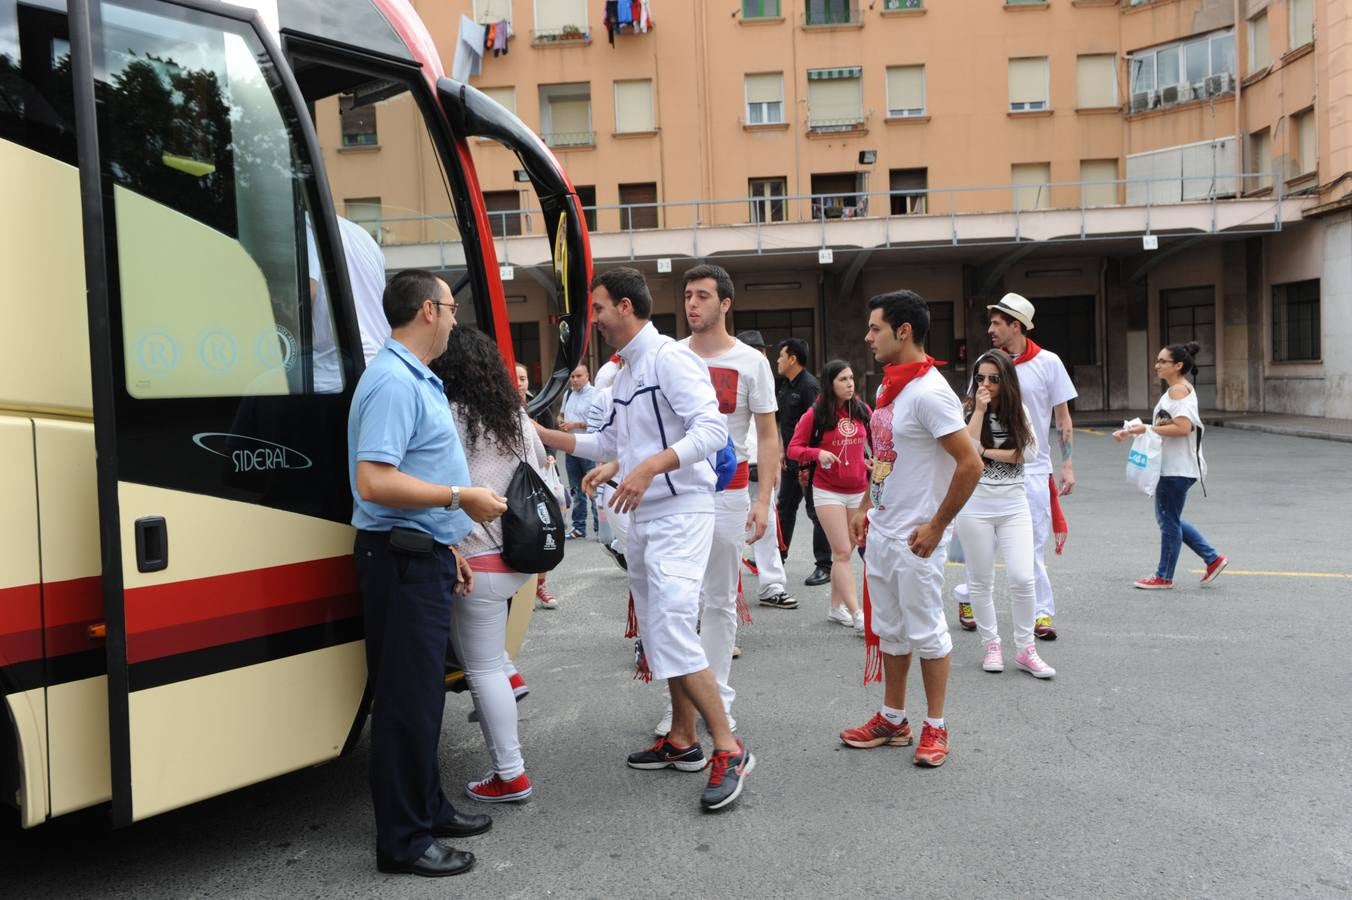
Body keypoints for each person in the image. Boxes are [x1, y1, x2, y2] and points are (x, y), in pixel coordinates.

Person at [538, 266, 754, 811]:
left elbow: (710, 431)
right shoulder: (625, 370)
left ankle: (729, 748)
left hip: (681, 510)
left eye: (600, 308)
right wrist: (541, 435)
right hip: (645, 515)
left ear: (627, 308)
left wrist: (647, 467)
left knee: (673, 626)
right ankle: (683, 740)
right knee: (658, 636)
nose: (595, 319)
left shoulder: (670, 358)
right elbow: (607, 439)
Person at [348, 268, 508, 877]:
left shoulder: (415, 377)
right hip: (399, 559)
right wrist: (458, 499)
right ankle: (404, 842)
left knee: (423, 700)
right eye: (450, 305)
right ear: (427, 312)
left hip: (422, 554)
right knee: (405, 704)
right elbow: (375, 480)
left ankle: (428, 807)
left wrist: (451, 548)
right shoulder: (393, 381)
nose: (454, 317)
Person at [839, 291, 981, 767]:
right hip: (882, 531)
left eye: (875, 328)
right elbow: (883, 457)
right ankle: (892, 718)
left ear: (903, 332)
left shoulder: (930, 392)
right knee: (891, 632)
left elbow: (970, 464)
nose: (867, 337)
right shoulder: (889, 389)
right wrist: (864, 505)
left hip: (916, 540)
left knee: (928, 634)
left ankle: (935, 728)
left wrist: (938, 526)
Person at [643, 264, 778, 738]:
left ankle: (717, 698)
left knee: (719, 601)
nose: (692, 304)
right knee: (673, 603)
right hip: (675, 493)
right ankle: (678, 707)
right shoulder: (668, 355)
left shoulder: (751, 362)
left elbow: (767, 435)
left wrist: (764, 499)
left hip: (729, 490)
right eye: (687, 295)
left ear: (725, 304)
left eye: (703, 296)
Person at [433, 327, 551, 804]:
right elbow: (544, 474)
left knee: (478, 668)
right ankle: (509, 672)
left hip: (475, 558)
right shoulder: (513, 417)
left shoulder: (447, 417)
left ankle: (510, 774)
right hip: (521, 556)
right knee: (480, 658)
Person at [953, 351, 1055, 678]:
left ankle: (1026, 649)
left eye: (994, 379)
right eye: (980, 377)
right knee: (981, 581)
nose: (986, 384)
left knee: (1023, 578)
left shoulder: (1017, 410)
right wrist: (980, 411)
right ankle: (991, 645)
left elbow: (1028, 453)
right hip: (975, 505)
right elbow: (966, 451)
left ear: (1006, 380)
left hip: (1013, 505)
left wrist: (987, 452)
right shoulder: (968, 409)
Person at [985, 293, 1076, 641]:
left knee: (1034, 542)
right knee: (985, 540)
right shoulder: (988, 362)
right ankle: (967, 596)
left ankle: (1041, 613)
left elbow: (1063, 417)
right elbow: (972, 410)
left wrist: (1066, 464)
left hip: (1035, 468)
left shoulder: (1049, 362)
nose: (990, 329)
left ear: (1016, 325)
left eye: (997, 323)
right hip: (991, 466)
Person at [1113, 341, 1228, 590]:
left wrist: (1146, 428)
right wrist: (1136, 430)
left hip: (1176, 469)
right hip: (1177, 467)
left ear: (1178, 365)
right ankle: (1212, 558)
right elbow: (1166, 426)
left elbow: (1183, 428)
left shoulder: (1178, 391)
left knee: (1168, 521)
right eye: (1158, 360)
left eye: (1162, 361)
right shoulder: (1177, 389)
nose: (1157, 365)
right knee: (1170, 519)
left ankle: (1164, 576)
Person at [787, 359, 871, 633]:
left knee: (844, 554)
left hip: (858, 491)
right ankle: (858, 613)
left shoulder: (861, 409)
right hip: (827, 492)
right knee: (843, 552)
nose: (849, 384)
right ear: (829, 384)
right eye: (842, 380)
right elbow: (793, 448)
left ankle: (836, 608)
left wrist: (870, 462)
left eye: (851, 378)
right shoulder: (815, 414)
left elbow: (874, 444)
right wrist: (816, 453)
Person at [736, 330, 797, 610]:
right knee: (729, 533)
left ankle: (772, 586)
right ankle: (725, 593)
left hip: (761, 464)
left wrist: (775, 463)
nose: (763, 356)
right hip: (733, 465)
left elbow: (771, 429)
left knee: (768, 527)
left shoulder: (767, 380)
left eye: (763, 351)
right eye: (757, 351)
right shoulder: (732, 376)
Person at [775, 338, 833, 587]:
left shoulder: (810, 386)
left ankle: (824, 565)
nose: (777, 361)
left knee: (816, 511)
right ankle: (777, 558)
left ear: (793, 359)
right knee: (785, 508)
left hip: (808, 462)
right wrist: (781, 450)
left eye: (781, 356)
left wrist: (809, 464)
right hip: (789, 460)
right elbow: (783, 423)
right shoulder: (785, 385)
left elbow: (818, 427)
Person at [516, 362, 561, 609]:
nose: (520, 383)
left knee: (545, 531)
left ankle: (540, 585)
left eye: (523, 378)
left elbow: (549, 433)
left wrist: (551, 454)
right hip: (514, 482)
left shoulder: (538, 404)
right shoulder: (497, 404)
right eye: (515, 378)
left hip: (540, 476)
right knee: (521, 534)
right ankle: (522, 591)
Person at [559, 364, 599, 539]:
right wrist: (561, 421)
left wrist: (575, 424)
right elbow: (560, 414)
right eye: (572, 376)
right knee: (576, 489)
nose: (574, 380)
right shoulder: (568, 394)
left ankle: (600, 528)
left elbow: (599, 422)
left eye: (578, 376)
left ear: (587, 376)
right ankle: (579, 528)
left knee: (594, 488)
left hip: (589, 446)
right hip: (571, 447)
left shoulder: (596, 394)